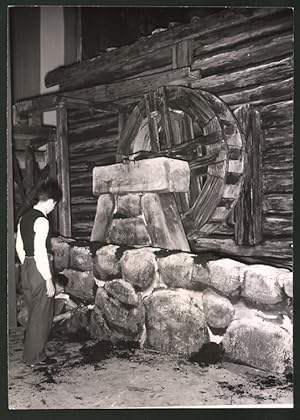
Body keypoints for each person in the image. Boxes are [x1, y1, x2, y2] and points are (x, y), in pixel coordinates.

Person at [16, 179, 62, 367]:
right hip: (38, 268)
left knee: (34, 311)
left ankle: (34, 353)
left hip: (26, 266)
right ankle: (34, 358)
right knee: (41, 315)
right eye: (55, 205)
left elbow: (19, 246)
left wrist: (25, 263)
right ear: (51, 201)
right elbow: (41, 251)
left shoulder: (24, 217)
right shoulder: (42, 220)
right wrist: (48, 279)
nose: (53, 208)